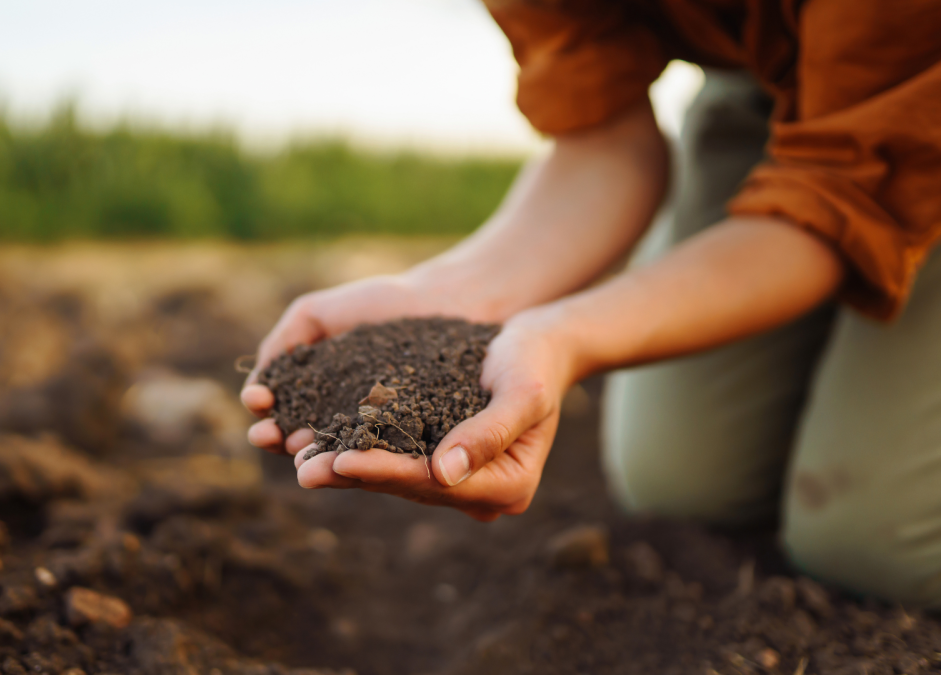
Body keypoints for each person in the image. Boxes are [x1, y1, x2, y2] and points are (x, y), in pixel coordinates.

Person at [241, 1, 941, 607]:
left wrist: (570, 335)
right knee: (684, 482)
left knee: (875, 543)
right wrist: (452, 297)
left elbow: (838, 194)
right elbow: (604, 140)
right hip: (772, 77)